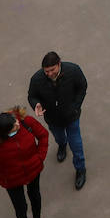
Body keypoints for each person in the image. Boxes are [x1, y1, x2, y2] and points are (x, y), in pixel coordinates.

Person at [27, 52, 89, 191]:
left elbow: (82, 87)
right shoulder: (37, 79)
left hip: (71, 117)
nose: (49, 74)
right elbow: (32, 96)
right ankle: (62, 145)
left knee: (76, 144)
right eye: (46, 71)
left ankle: (80, 169)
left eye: (52, 70)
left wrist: (75, 106)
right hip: (53, 119)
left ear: (59, 64)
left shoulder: (73, 71)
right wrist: (36, 104)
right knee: (59, 137)